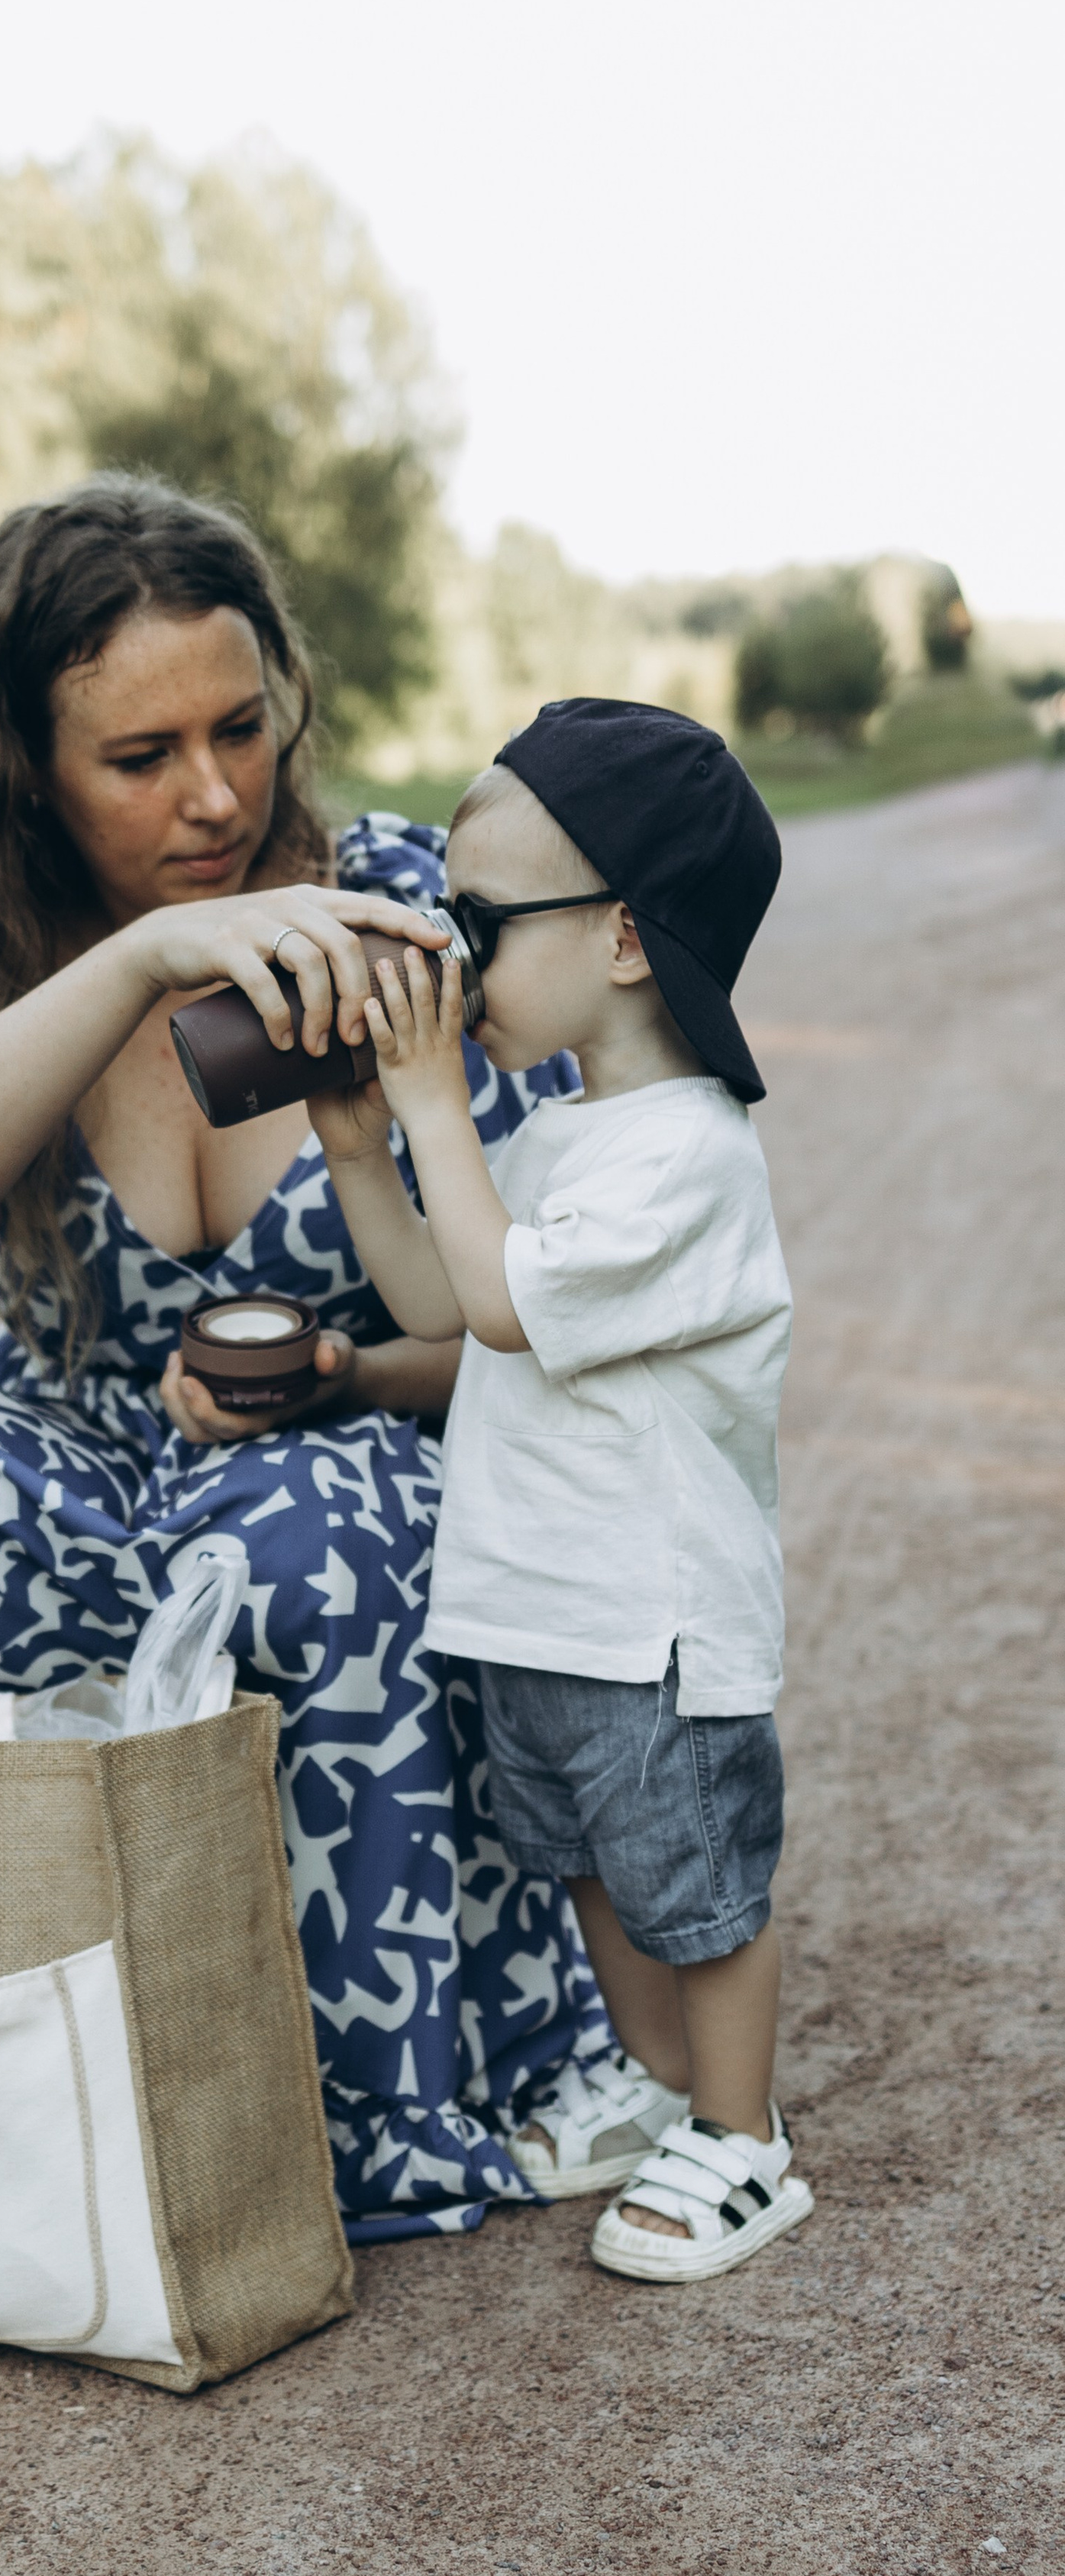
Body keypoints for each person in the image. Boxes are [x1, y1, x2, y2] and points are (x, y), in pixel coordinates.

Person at [0, 474, 621, 2239]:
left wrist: (346, 1376)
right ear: (25, 767)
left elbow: (572, 1328)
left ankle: (359, 2107)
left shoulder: (408, 909)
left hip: (382, 1433)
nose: (213, 794)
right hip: (78, 1447)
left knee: (310, 1528)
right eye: (138, 757)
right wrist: (142, 953)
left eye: (239, 728)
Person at [311, 698, 812, 2279]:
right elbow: (442, 1302)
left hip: (649, 1621)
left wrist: (432, 1106)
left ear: (619, 941)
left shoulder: (685, 1158)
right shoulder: (558, 1138)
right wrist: (353, 1146)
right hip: (535, 1610)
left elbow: (515, 1304)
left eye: (474, 923)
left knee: (696, 1895)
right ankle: (659, 2089)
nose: (446, 961)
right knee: (589, 1868)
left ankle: (742, 2140)